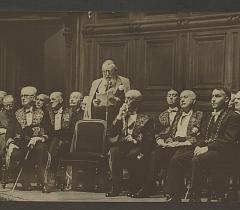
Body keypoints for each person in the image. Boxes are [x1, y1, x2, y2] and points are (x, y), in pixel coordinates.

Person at [165, 87, 240, 202]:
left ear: (226, 100)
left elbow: (229, 139)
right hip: (207, 149)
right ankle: (175, 196)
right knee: (177, 159)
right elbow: (202, 135)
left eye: (217, 96)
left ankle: (195, 196)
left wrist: (207, 147)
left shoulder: (233, 116)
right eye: (212, 96)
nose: (213, 99)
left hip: (224, 152)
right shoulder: (209, 116)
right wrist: (199, 145)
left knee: (198, 159)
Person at [132, 90, 203, 198]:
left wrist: (184, 142)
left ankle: (172, 192)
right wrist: (167, 141)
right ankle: (148, 186)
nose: (182, 99)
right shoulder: (178, 115)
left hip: (187, 145)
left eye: (186, 97)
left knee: (176, 157)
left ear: (193, 101)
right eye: (181, 97)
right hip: (174, 144)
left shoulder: (199, 114)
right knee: (156, 154)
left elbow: (200, 135)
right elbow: (171, 132)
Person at [105, 90, 155, 197]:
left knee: (133, 154)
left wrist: (134, 140)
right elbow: (111, 132)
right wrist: (119, 116)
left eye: (129, 99)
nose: (125, 101)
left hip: (138, 146)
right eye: (125, 98)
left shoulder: (146, 118)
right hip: (123, 145)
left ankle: (134, 185)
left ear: (137, 102)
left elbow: (149, 139)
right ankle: (116, 187)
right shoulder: (122, 116)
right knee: (114, 151)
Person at [5, 86, 51, 192]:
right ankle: (25, 180)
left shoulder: (43, 113)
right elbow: (9, 132)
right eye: (21, 95)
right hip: (20, 143)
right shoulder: (16, 113)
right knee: (16, 153)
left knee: (40, 148)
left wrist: (38, 138)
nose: (23, 98)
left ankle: (43, 181)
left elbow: (48, 130)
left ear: (34, 98)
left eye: (26, 95)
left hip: (37, 142)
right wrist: (11, 143)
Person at [84, 60, 130, 124]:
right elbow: (89, 103)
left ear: (115, 71)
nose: (107, 74)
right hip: (99, 118)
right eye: (104, 72)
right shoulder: (96, 83)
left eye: (110, 71)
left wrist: (118, 100)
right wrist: (94, 103)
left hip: (117, 118)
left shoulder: (125, 82)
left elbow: (128, 100)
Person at [48, 92, 74, 186]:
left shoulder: (70, 112)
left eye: (53, 99)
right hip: (51, 138)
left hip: (65, 138)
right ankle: (50, 176)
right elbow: (47, 128)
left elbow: (71, 129)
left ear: (61, 100)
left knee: (59, 145)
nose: (51, 102)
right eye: (50, 100)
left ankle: (55, 177)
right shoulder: (48, 111)